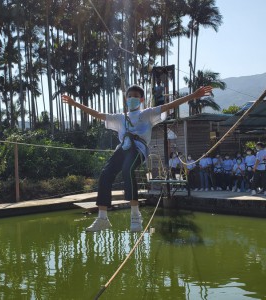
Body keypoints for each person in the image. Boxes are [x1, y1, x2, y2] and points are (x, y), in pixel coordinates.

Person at [62, 85, 213, 232]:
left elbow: (169, 105)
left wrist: (193, 95)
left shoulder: (147, 114)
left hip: (138, 149)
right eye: (129, 96)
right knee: (105, 174)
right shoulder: (120, 117)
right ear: (125, 99)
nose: (132, 99)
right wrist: (75, 104)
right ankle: (102, 218)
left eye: (135, 97)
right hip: (123, 148)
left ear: (141, 100)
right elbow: (98, 115)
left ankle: (135, 215)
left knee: (128, 169)